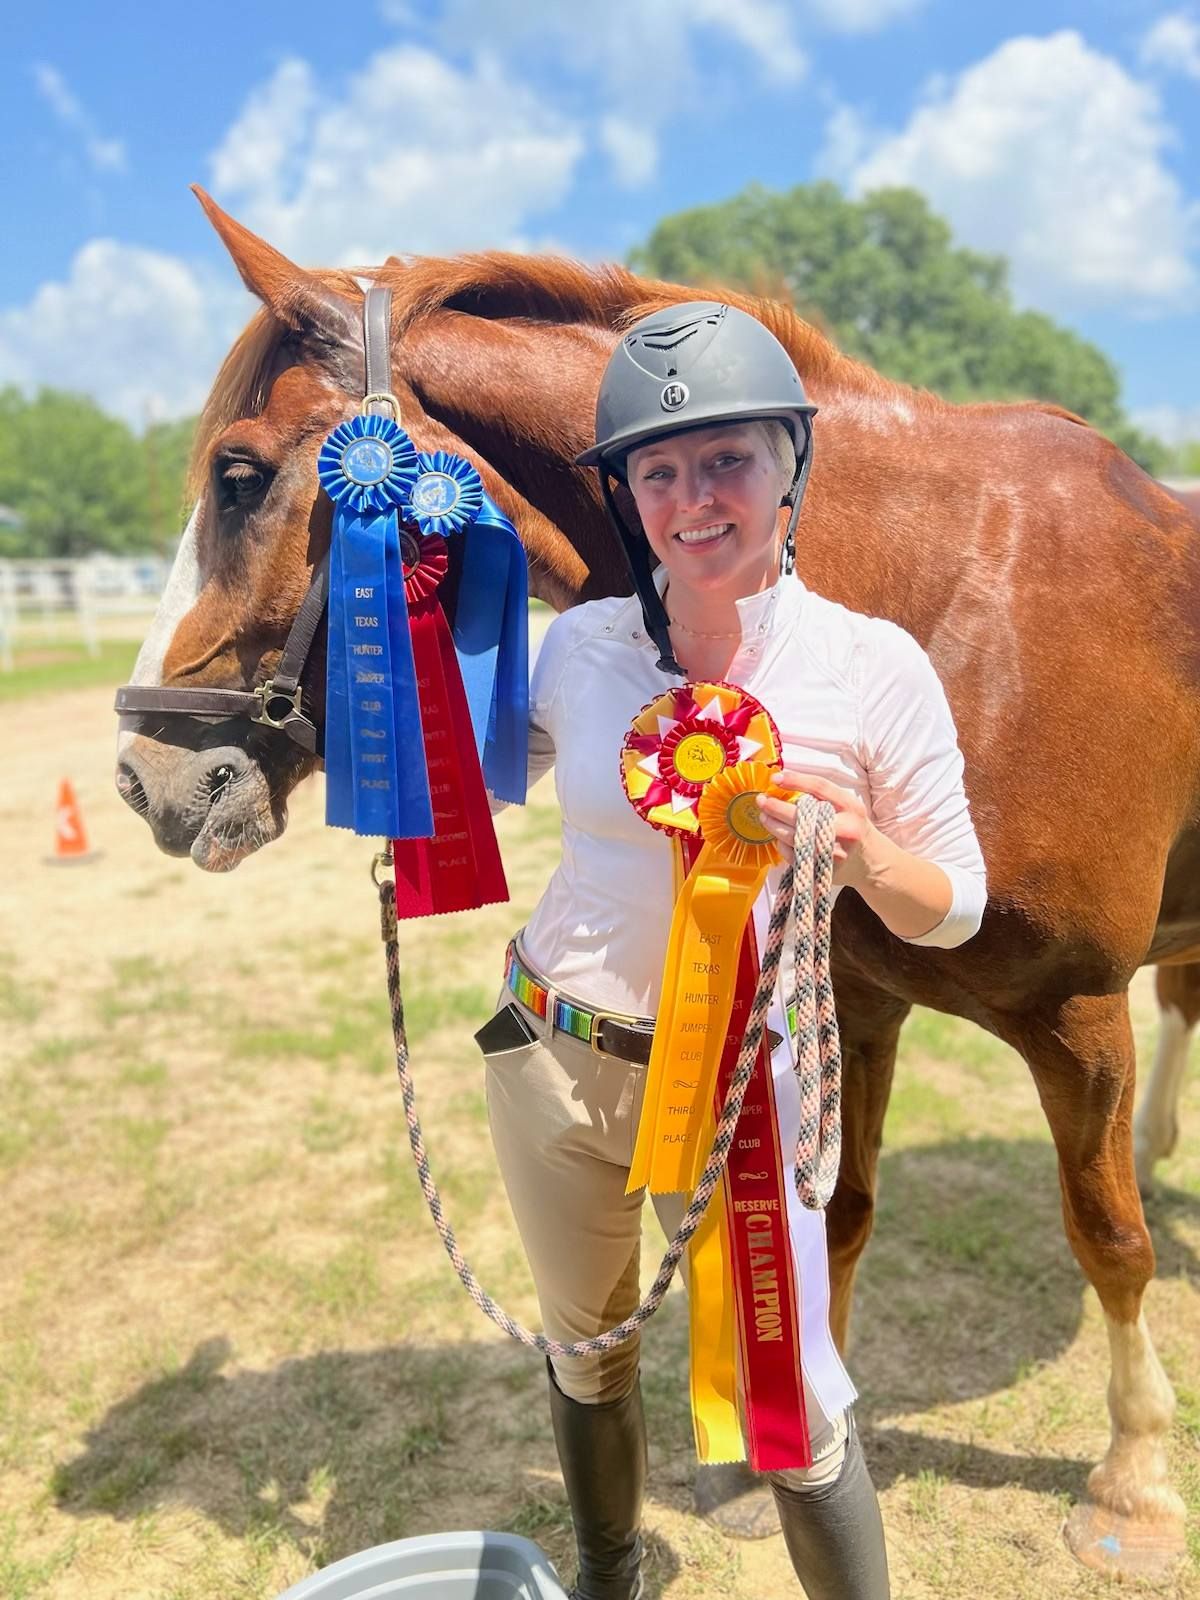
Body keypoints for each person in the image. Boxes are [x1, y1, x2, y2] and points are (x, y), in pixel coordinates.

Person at [478, 301, 987, 1600]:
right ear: (627, 497)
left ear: (790, 468)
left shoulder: (868, 670)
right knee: (584, 1346)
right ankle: (610, 1570)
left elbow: (959, 903)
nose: (692, 496)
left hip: (741, 1088)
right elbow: (479, 772)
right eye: (658, 470)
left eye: (727, 461)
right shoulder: (583, 648)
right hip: (551, 1060)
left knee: (790, 1408)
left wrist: (867, 857)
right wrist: (425, 605)